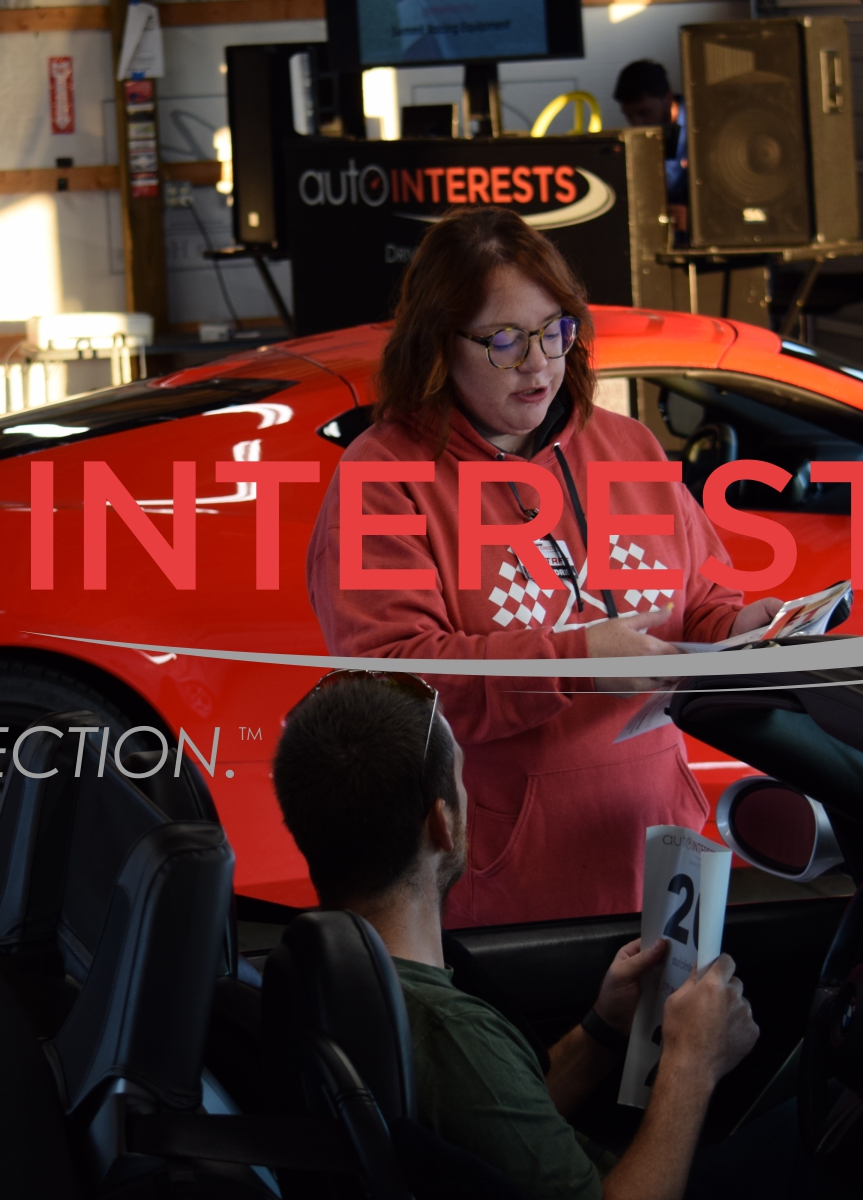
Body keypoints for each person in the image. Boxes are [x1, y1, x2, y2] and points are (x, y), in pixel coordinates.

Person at [271, 671, 863, 1200]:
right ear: (441, 824)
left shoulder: (331, 972)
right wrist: (691, 1064)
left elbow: (497, 1123)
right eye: (462, 782)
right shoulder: (446, 1030)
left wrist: (603, 1028)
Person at [304, 206, 782, 928]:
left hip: (659, 854)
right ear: (438, 344)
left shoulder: (627, 447)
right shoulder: (386, 476)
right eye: (504, 341)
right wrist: (576, 660)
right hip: (507, 891)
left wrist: (744, 629)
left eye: (555, 330)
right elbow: (395, 687)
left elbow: (698, 601)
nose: (538, 363)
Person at [614, 60, 690, 235]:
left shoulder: (705, 125)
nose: (636, 123)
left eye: (644, 113)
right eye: (629, 115)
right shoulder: (637, 139)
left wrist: (694, 215)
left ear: (668, 99)